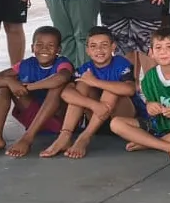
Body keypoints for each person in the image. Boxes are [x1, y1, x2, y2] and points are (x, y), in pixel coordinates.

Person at [109, 26, 170, 169]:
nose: (163, 52)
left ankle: (146, 143)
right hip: (155, 125)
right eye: (158, 48)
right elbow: (148, 101)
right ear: (151, 53)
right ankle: (166, 146)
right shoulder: (150, 77)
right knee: (116, 123)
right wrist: (149, 105)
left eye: (169, 47)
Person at [0, 25, 73, 157]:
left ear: (59, 49)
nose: (44, 49)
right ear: (32, 48)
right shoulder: (26, 64)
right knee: (5, 85)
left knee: (57, 87)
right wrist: (10, 82)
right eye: (39, 44)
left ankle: (27, 138)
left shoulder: (62, 63)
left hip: (57, 121)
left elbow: (60, 78)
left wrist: (28, 87)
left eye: (50, 45)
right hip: (32, 117)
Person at [44, 26, 136, 159]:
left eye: (104, 45)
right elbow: (66, 94)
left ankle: (84, 138)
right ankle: (65, 135)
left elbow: (130, 89)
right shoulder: (85, 68)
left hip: (121, 118)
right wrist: (94, 105)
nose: (99, 50)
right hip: (97, 117)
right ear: (87, 50)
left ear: (113, 47)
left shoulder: (121, 63)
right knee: (81, 85)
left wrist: (94, 82)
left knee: (111, 90)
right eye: (93, 46)